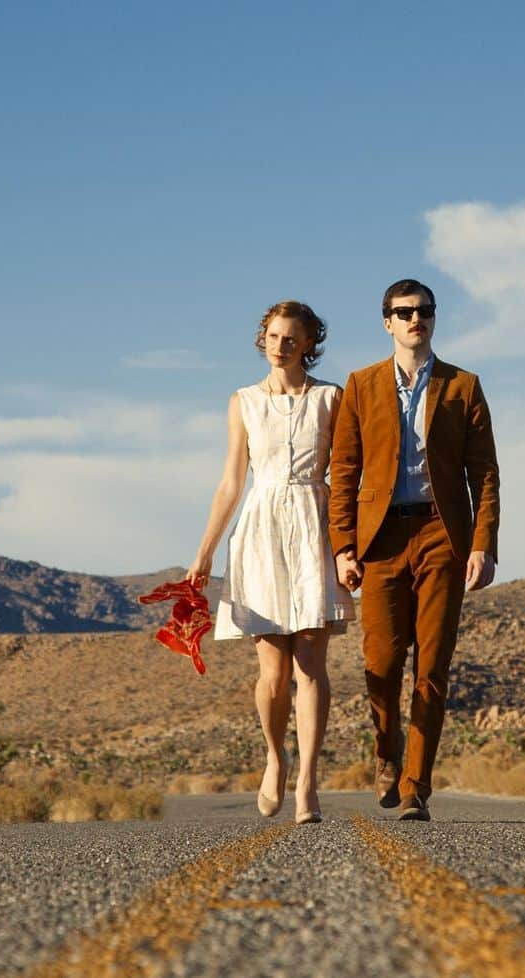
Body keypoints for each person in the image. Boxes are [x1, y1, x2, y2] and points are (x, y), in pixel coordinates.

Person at [329, 278, 500, 821]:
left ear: (433, 317)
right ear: (387, 322)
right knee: (380, 661)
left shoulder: (463, 385)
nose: (414, 320)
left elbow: (485, 473)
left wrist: (483, 544)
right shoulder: (360, 385)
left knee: (432, 665)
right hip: (380, 540)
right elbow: (344, 473)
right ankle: (387, 753)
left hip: (441, 536)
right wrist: (343, 547)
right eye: (403, 312)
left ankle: (415, 788)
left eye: (423, 311)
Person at [186, 301, 354, 824]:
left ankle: (308, 782)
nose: (280, 344)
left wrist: (349, 544)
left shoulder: (331, 398)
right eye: (274, 335)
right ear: (264, 339)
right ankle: (274, 758)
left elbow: (348, 472)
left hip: (313, 524)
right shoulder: (243, 402)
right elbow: (232, 481)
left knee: (311, 664)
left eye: (292, 337)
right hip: (260, 529)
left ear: (309, 343)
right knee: (274, 672)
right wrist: (204, 552)